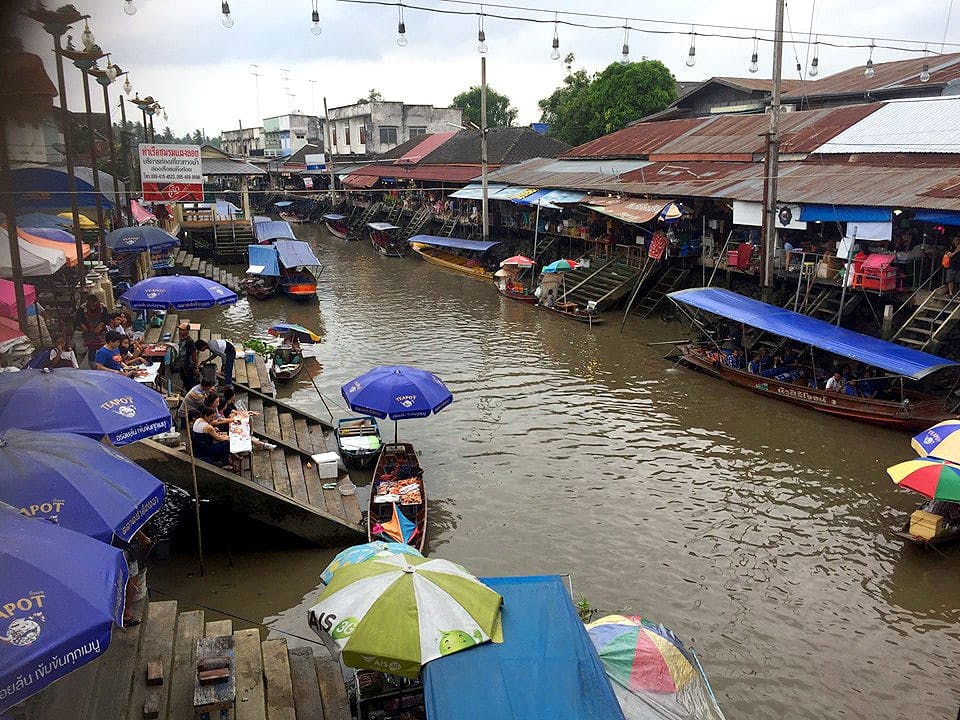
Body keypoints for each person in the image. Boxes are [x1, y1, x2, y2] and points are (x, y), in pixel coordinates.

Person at [75, 293, 109, 366]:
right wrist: (83, 326)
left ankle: (104, 363)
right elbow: (78, 320)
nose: (92, 305)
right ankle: (92, 364)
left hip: (100, 332)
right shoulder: (83, 308)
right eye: (90, 303)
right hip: (89, 332)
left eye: (94, 303)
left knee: (103, 348)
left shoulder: (102, 307)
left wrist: (100, 326)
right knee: (91, 349)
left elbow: (105, 319)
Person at [178, 322, 198, 392]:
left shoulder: (190, 341)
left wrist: (196, 367)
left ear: (187, 330)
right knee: (184, 379)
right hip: (182, 364)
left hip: (188, 365)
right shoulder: (181, 338)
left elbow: (194, 354)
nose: (180, 331)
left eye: (182, 329)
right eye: (180, 329)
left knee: (191, 382)